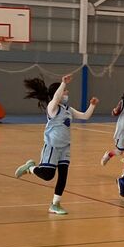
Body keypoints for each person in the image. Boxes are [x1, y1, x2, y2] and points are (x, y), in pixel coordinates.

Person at [14, 74, 98, 215]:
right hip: (52, 145)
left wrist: (92, 105)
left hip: (65, 147)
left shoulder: (68, 109)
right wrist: (63, 83)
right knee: (48, 176)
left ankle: (55, 204)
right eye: (65, 91)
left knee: (63, 176)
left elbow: (85, 116)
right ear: (58, 93)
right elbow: (56, 97)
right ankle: (31, 168)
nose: (67, 92)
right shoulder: (52, 108)